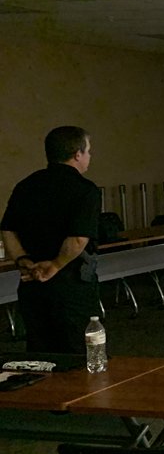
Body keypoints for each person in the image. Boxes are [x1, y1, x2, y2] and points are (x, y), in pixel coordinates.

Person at [0, 126, 101, 354]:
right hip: (71, 284)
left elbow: (8, 230)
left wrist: (23, 260)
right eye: (88, 151)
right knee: (77, 350)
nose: (89, 157)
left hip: (31, 282)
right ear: (77, 154)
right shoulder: (85, 190)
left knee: (39, 350)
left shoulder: (26, 186)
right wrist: (55, 265)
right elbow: (77, 239)